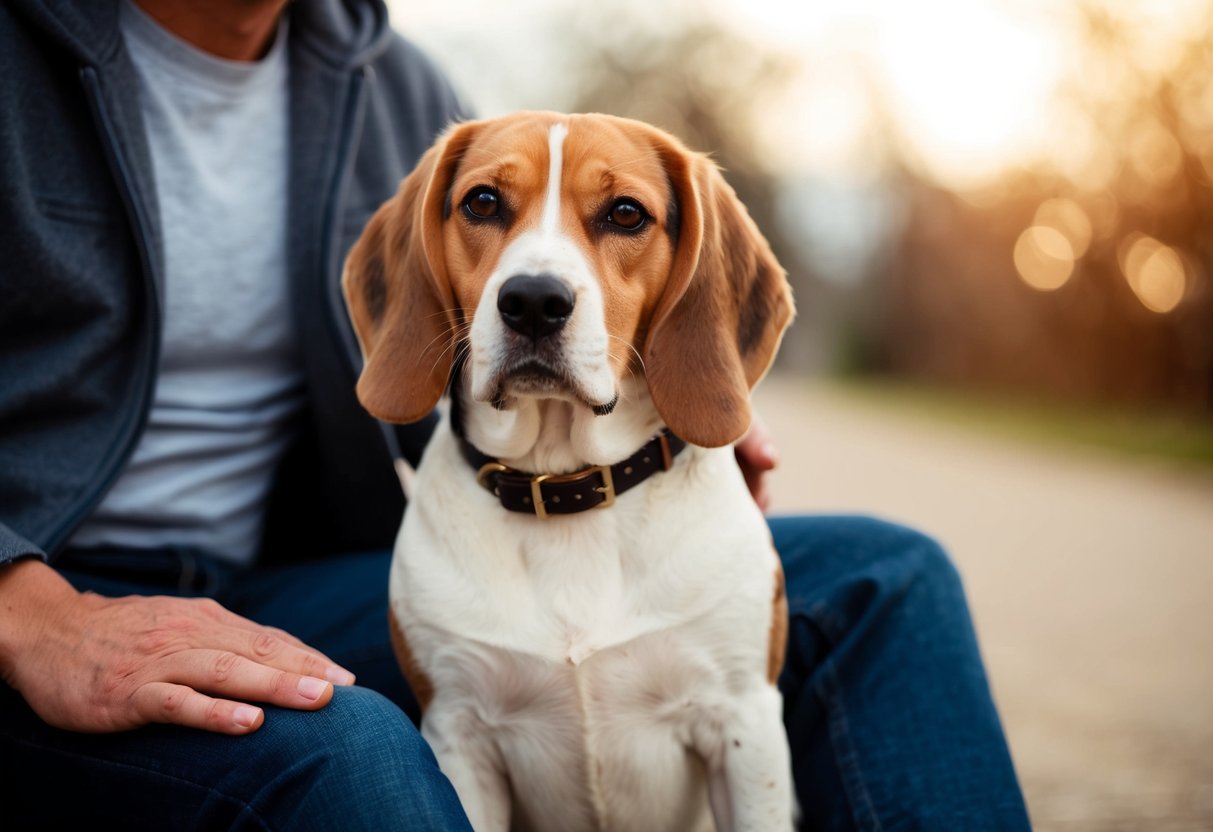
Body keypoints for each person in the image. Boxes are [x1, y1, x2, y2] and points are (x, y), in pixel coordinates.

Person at [0, 0, 1033, 829]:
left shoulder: (393, 86)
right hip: (48, 592)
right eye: (485, 211)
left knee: (889, 579)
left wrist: (686, 387)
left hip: (290, 583)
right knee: (355, 751)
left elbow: (444, 345)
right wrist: (29, 611)